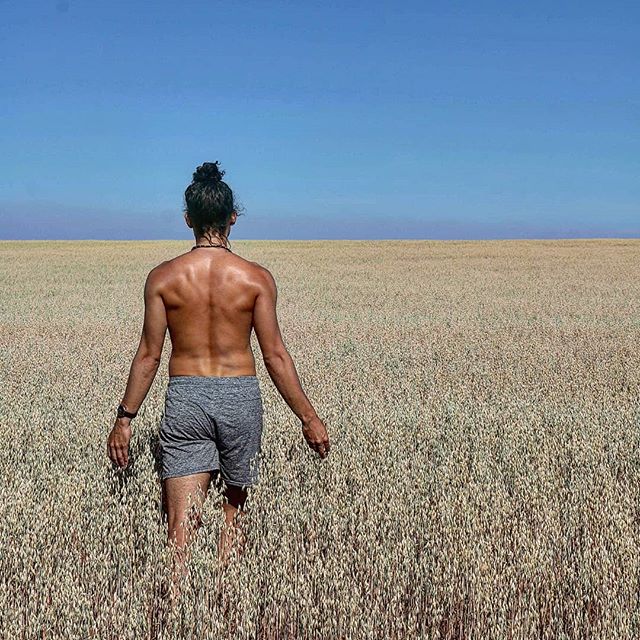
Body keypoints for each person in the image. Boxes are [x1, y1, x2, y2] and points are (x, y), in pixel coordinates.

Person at [106, 161, 330, 573]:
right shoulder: (256, 279)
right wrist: (309, 418)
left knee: (179, 533)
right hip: (240, 397)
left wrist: (125, 418)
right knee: (234, 514)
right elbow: (275, 355)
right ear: (232, 218)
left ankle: (176, 609)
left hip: (186, 398)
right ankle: (226, 601)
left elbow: (149, 355)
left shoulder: (162, 278)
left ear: (188, 219)